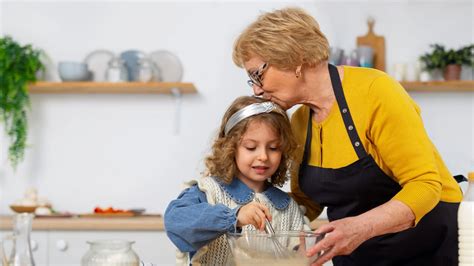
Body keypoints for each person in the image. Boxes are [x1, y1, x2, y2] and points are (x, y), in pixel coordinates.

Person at [232, 7, 464, 266]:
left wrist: (359, 229)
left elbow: (424, 186)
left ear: (294, 58)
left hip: (425, 250)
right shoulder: (299, 122)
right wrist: (248, 215)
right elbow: (307, 202)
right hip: (359, 256)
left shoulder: (375, 91)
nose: (256, 90)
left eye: (257, 74)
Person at [164, 96, 308, 265]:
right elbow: (176, 221)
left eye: (274, 148)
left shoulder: (287, 207)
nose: (263, 156)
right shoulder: (208, 192)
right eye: (251, 147)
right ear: (230, 148)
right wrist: (234, 217)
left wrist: (305, 251)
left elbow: (301, 252)